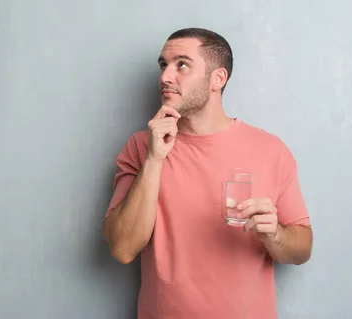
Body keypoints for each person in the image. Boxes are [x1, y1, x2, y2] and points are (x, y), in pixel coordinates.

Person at [102, 27, 313, 319]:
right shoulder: (141, 147)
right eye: (163, 65)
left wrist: (275, 235)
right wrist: (154, 159)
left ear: (218, 78)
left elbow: (303, 248)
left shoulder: (270, 150)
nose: (165, 76)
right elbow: (122, 248)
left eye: (182, 65)